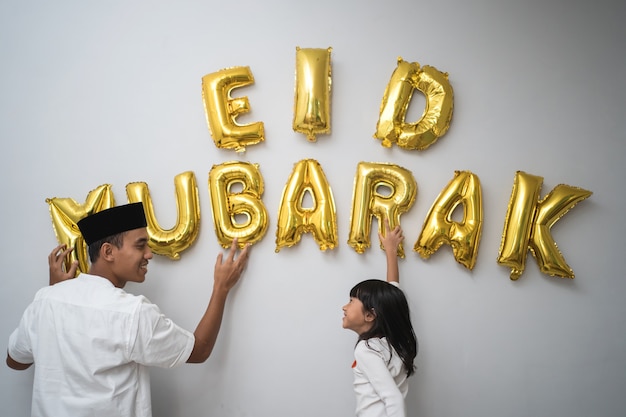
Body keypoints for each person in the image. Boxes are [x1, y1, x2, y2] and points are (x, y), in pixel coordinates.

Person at [6, 202, 250, 417]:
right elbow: (199, 350)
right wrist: (221, 288)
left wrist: (54, 292)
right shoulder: (132, 313)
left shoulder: (46, 300)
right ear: (108, 252)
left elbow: (15, 360)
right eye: (140, 245)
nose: (149, 255)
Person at [342, 219, 418, 417]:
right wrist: (391, 251)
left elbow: (393, 399)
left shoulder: (366, 350)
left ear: (370, 315)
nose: (344, 307)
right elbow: (393, 291)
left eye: (351, 301)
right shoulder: (392, 341)